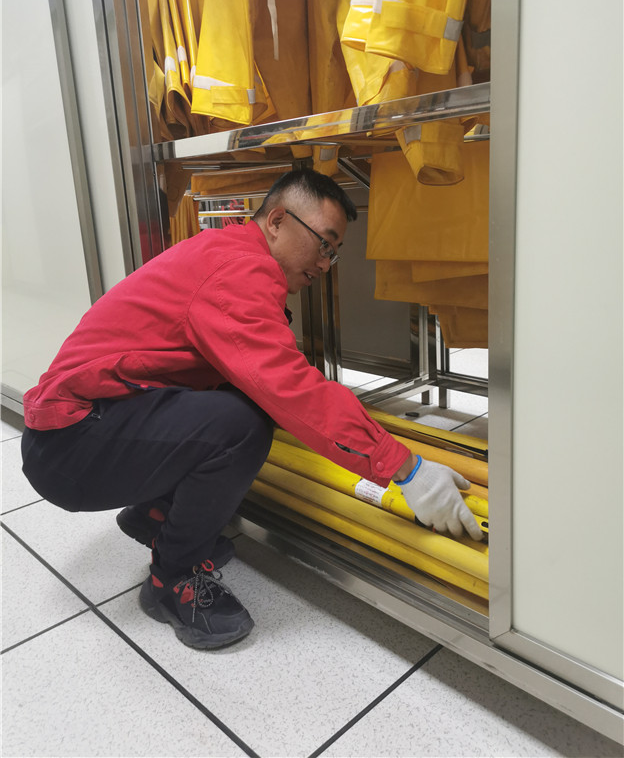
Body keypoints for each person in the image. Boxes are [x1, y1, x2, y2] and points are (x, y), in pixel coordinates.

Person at [21, 169, 483, 650]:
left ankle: (155, 516)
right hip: (70, 445)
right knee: (238, 425)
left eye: (333, 252)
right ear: (278, 221)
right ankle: (172, 579)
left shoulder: (227, 254)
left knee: (245, 400)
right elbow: (290, 386)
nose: (325, 264)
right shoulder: (237, 270)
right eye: (323, 244)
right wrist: (405, 469)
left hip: (91, 426)